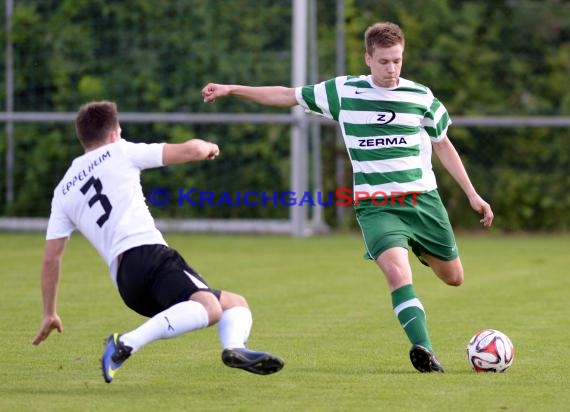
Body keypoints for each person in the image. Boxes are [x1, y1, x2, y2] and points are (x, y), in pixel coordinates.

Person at [201, 22, 493, 373]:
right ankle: (424, 350)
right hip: (376, 205)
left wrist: (473, 194)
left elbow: (442, 143)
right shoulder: (343, 92)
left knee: (454, 277)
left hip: (422, 202)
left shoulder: (420, 97)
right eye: (384, 61)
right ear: (368, 58)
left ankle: (419, 247)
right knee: (398, 276)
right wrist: (232, 89)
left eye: (397, 61)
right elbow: (286, 94)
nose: (391, 69)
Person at [32, 101, 284, 383]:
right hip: (149, 255)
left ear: (83, 138)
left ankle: (235, 349)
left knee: (234, 303)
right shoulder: (120, 150)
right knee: (210, 308)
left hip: (126, 283)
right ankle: (125, 342)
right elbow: (191, 150)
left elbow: (51, 258)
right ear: (115, 132)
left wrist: (49, 312)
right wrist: (209, 147)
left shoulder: (63, 190)